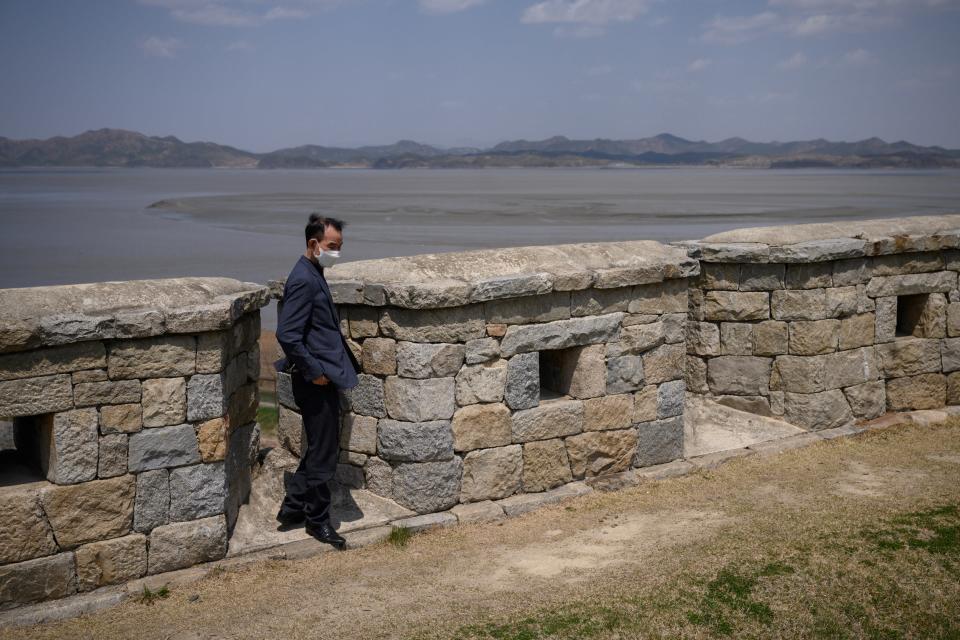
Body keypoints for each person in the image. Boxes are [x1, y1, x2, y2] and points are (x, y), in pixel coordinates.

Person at [274, 213, 360, 550]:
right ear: (314, 244)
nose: (336, 252)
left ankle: (293, 506)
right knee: (323, 453)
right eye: (332, 246)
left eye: (339, 246)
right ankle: (318, 521)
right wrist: (316, 372)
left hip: (323, 376)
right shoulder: (304, 279)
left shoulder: (313, 271)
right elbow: (287, 335)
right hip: (315, 380)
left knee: (320, 448)